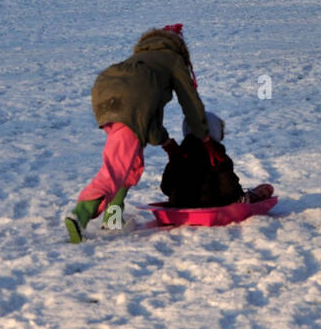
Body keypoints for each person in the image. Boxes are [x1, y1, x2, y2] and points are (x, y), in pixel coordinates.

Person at [64, 24, 211, 243]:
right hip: (130, 103)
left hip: (106, 94)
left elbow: (147, 119)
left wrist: (165, 141)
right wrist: (203, 134)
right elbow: (189, 101)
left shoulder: (142, 60)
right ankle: (81, 214)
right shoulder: (172, 59)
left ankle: (113, 219)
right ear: (180, 46)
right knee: (116, 167)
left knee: (131, 165)